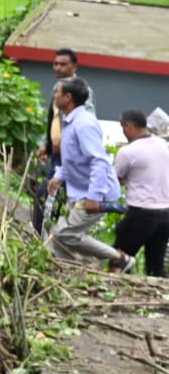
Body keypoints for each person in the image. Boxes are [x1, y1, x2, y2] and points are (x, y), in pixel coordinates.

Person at [45, 77, 130, 271]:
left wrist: (94, 197)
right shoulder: (70, 121)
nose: (54, 96)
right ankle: (69, 271)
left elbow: (98, 161)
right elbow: (74, 158)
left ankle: (119, 258)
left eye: (57, 92)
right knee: (60, 239)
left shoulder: (84, 124)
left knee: (65, 235)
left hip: (95, 192)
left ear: (68, 97)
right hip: (80, 190)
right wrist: (59, 176)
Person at [32, 47, 95, 232]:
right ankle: (46, 237)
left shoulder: (82, 90)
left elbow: (85, 120)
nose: (58, 68)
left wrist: (66, 139)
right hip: (58, 155)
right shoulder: (56, 88)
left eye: (63, 64)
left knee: (53, 196)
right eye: (55, 63)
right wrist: (48, 144)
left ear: (74, 65)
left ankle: (52, 239)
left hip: (72, 156)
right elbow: (54, 118)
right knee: (49, 195)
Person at [113, 110, 169, 277]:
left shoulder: (128, 151)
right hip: (166, 213)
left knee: (119, 260)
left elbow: (115, 178)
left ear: (128, 126)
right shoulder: (163, 145)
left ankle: (116, 298)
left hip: (141, 214)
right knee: (156, 267)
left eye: (122, 127)